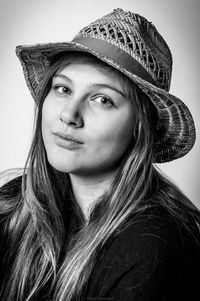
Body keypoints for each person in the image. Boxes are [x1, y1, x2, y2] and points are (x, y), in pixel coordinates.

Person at [0, 8, 200, 301]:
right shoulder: (13, 206)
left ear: (140, 127)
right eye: (63, 88)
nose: (69, 115)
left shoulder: (152, 248)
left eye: (103, 99)